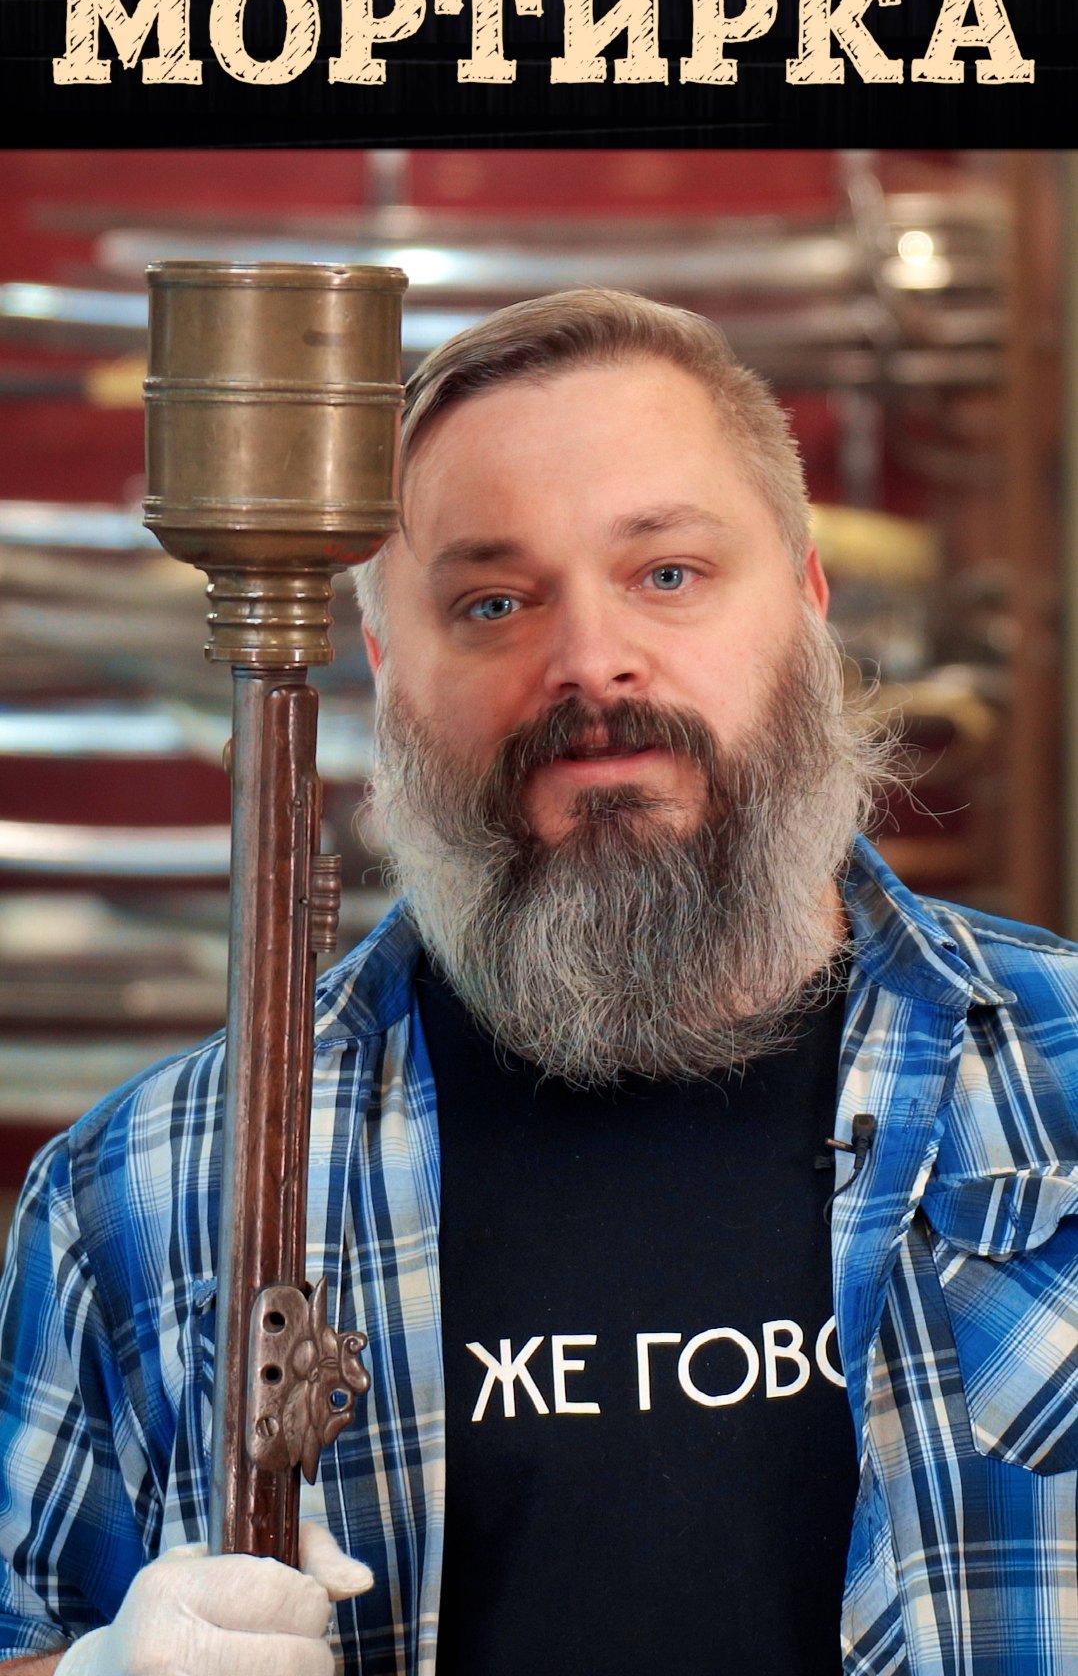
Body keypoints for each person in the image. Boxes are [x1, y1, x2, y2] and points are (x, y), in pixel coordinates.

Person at [1, 287, 1077, 1676]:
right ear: (385, 665)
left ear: (809, 602)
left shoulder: (1061, 1076)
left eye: (668, 573)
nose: (589, 663)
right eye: (492, 602)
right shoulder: (143, 1196)